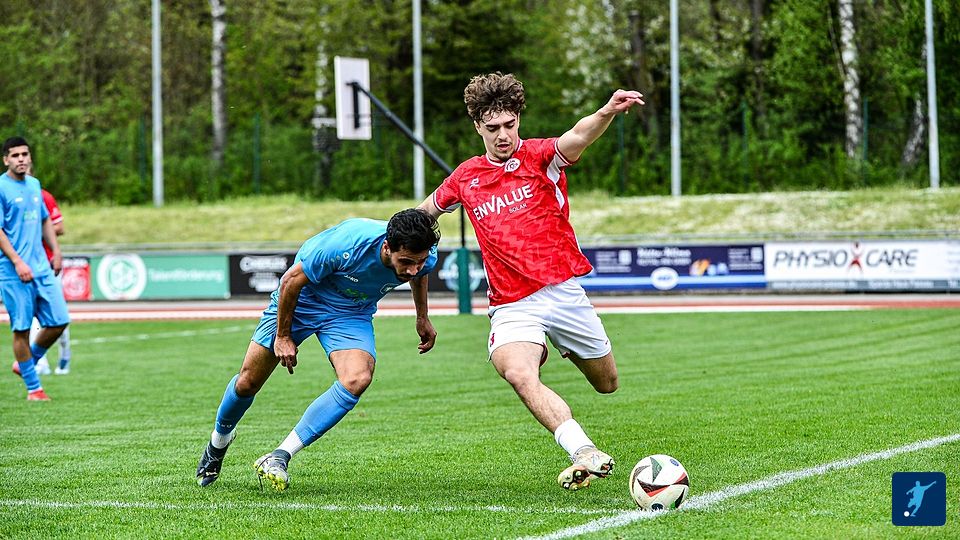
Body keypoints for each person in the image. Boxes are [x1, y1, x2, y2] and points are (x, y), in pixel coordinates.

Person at [417, 73, 644, 490]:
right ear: (477, 127)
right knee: (518, 373)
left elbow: (578, 136)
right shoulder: (465, 177)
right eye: (492, 128)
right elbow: (421, 215)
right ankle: (583, 451)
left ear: (518, 119)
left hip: (563, 292)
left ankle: (561, 344)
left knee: (607, 383)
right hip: (512, 304)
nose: (503, 135)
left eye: (509, 124)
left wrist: (607, 111)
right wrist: (380, 239)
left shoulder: (540, 156)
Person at [196, 209, 440, 491]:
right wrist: (283, 336)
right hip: (304, 300)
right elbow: (291, 281)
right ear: (387, 247)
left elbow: (420, 274)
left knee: (357, 378)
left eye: (419, 261)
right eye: (406, 262)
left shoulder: (424, 257)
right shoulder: (346, 245)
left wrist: (422, 316)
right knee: (248, 382)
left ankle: (280, 455)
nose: (413, 269)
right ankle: (218, 443)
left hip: (350, 312)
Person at [0, 137, 70, 400]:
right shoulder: (1, 188)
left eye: (25, 154)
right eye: (15, 155)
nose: (21, 159)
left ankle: (26, 363)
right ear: (6, 160)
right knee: (21, 328)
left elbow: (45, 220)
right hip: (13, 270)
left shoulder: (34, 185)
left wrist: (57, 251)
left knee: (59, 321)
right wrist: (18, 262)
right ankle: (34, 388)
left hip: (41, 267)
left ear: (30, 157)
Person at [27, 183, 72, 375]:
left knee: (58, 319)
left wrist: (34, 229)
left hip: (47, 265)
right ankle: (39, 363)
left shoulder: (43, 196)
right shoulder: (7, 194)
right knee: (31, 317)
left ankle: (65, 355)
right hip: (25, 267)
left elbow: (59, 227)